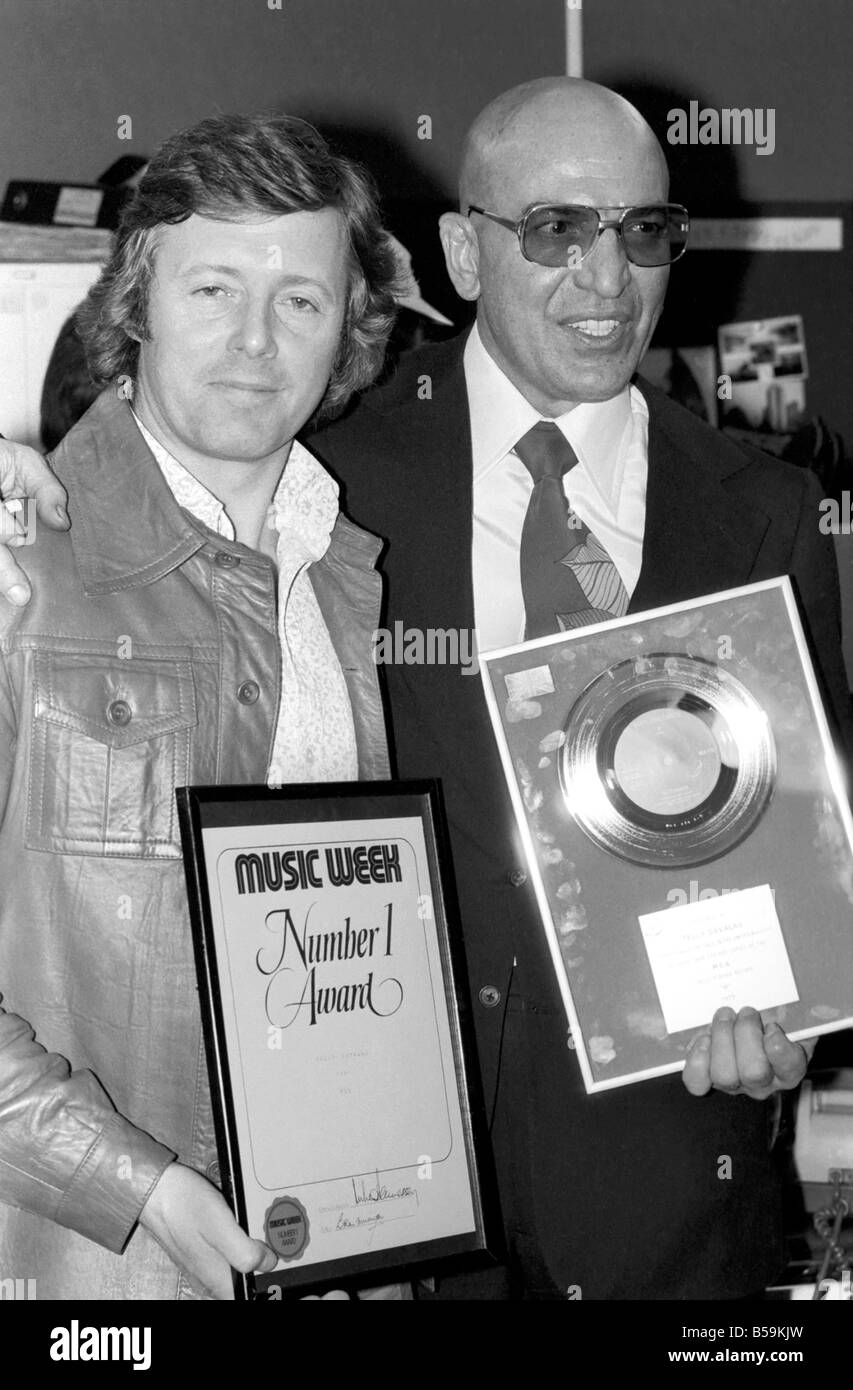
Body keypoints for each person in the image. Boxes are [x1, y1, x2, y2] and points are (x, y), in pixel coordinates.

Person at [1, 78, 847, 1300]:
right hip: (328, 1229)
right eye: (556, 229)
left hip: (645, 1213)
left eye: (643, 233)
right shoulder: (314, 481)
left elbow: (801, 851)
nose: (604, 277)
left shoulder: (754, 514)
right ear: (461, 250)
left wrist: (786, 1028)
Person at [0, 110, 402, 1300]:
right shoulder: (19, 567)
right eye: (213, 288)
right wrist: (140, 1186)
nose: (254, 341)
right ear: (137, 303)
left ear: (348, 331)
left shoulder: (341, 577)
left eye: (300, 301)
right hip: (85, 1274)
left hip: (332, 1245)